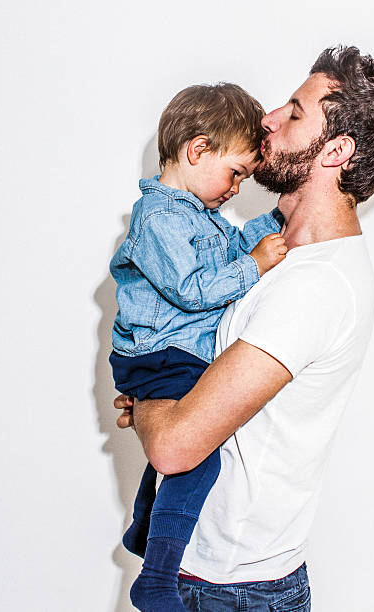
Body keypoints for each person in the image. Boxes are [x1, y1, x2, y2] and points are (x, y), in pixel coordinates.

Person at [115, 45, 374, 611]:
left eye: (295, 111)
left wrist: (149, 407)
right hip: (211, 573)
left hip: (232, 591)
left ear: (336, 150)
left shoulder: (315, 285)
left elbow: (174, 446)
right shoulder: (278, 254)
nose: (269, 119)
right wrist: (162, 394)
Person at [109, 83, 288, 611]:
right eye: (235, 173)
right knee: (198, 457)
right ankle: (158, 579)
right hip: (160, 354)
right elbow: (193, 291)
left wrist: (277, 221)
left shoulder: (196, 215)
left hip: (168, 355)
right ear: (197, 149)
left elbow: (231, 245)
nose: (236, 189)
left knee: (178, 452)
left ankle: (146, 528)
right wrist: (256, 264)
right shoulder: (160, 219)